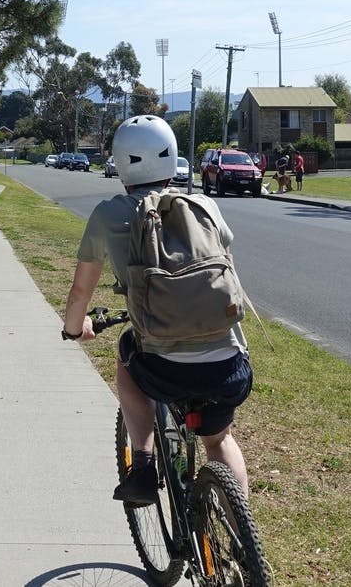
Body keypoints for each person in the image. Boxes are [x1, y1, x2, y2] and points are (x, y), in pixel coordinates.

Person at [60, 115, 253, 503]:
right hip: (228, 365)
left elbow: (81, 290)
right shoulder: (204, 206)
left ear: (120, 162)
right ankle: (240, 535)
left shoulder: (108, 214)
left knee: (126, 353)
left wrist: (74, 329)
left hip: (162, 368)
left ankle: (144, 464)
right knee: (220, 440)